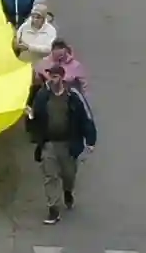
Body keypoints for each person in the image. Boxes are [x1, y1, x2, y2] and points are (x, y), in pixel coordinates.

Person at [25, 61, 96, 226]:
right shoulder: (43, 95)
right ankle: (53, 209)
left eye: (55, 76)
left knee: (68, 175)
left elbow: (86, 118)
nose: (52, 79)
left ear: (62, 77)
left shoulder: (73, 95)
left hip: (69, 144)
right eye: (50, 75)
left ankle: (68, 191)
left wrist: (90, 140)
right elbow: (34, 115)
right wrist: (31, 121)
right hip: (49, 143)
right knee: (50, 176)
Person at [14, 1, 57, 66]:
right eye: (33, 16)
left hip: (42, 65)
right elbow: (17, 41)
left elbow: (49, 48)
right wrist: (17, 45)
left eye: (38, 17)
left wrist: (29, 47)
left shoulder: (50, 30)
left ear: (43, 18)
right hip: (24, 63)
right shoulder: (24, 27)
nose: (35, 20)